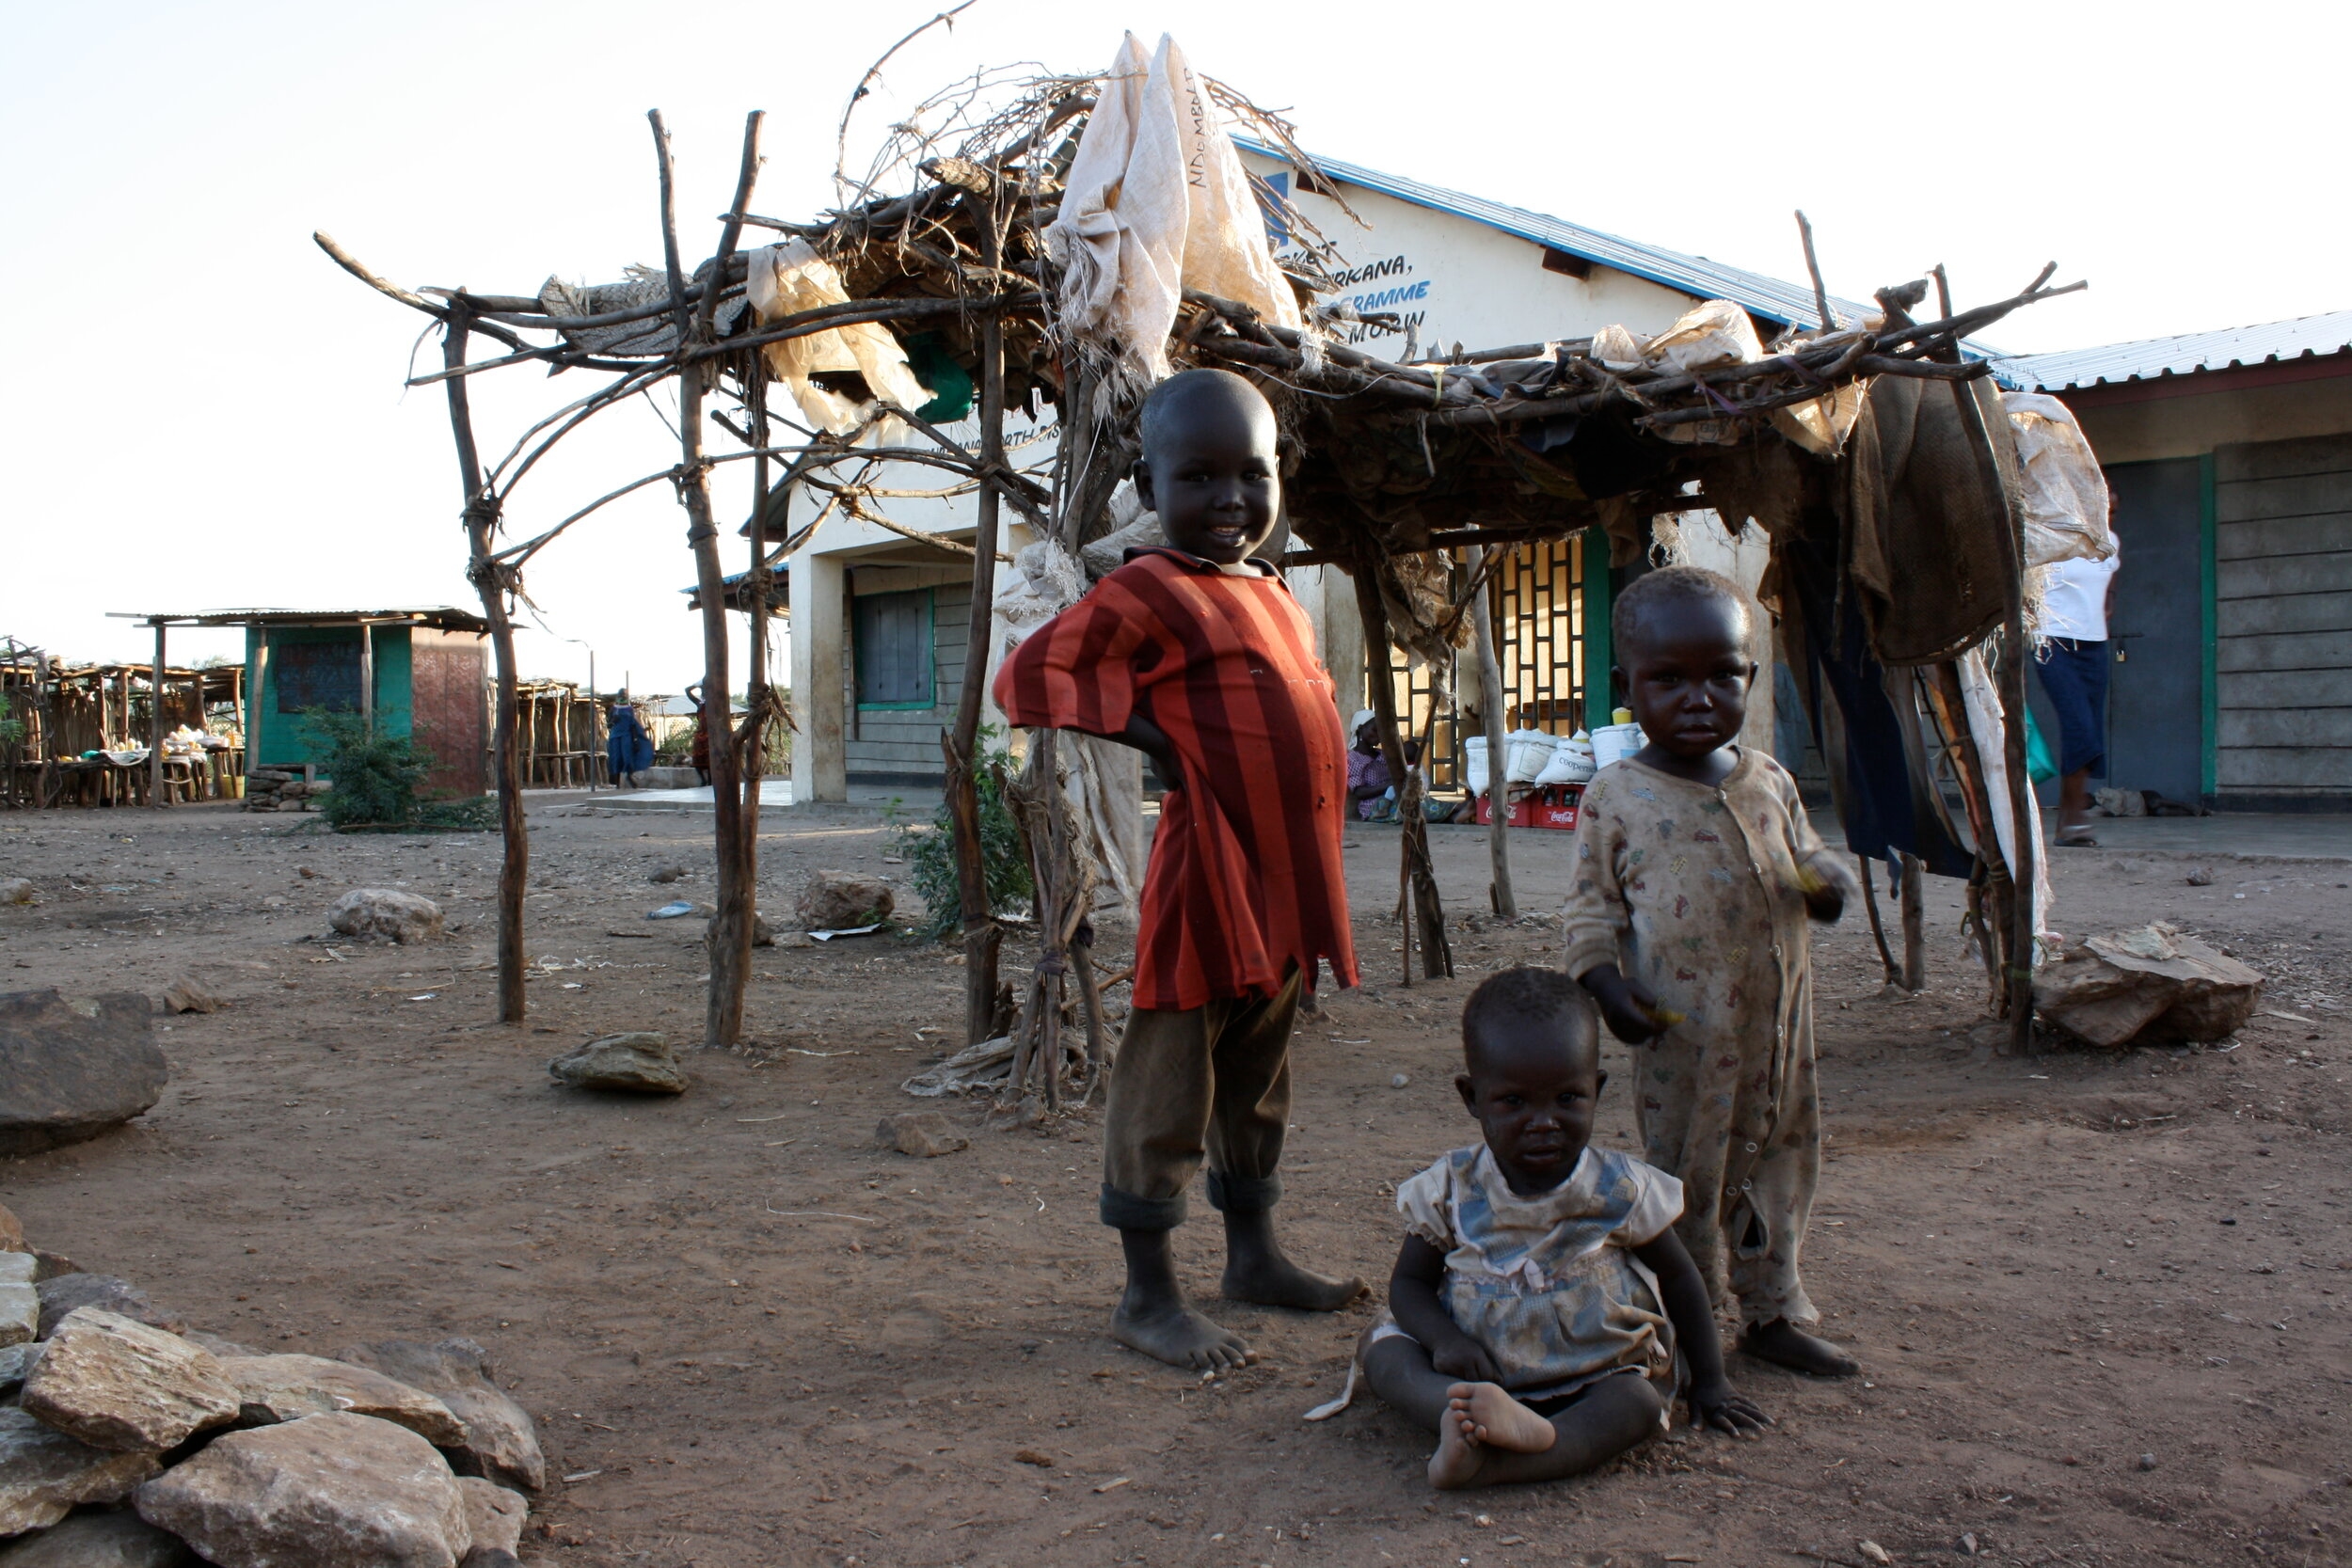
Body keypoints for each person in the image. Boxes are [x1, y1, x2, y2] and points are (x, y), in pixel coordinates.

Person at [993, 368, 1364, 1370]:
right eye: (1198, 476)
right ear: (1151, 489)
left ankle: (1254, 1257)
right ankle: (1146, 1292)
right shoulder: (1148, 586)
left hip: (1289, 882)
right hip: (1210, 878)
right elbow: (1030, 676)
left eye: (1251, 472)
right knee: (1170, 1075)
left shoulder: (1276, 592)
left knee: (1258, 1073)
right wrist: (1163, 731)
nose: (1230, 498)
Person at [1565, 565, 1860, 1378]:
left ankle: (1772, 1310)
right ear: (1628, 687)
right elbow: (1590, 912)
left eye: (1722, 675)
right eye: (1669, 679)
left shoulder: (1770, 782)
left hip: (1781, 1040)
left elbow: (1810, 862)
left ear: (1751, 678)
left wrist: (1826, 884)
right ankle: (1686, 1329)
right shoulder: (1616, 796)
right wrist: (1605, 985)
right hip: (1684, 1046)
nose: (1699, 696)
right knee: (1684, 1182)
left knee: (1784, 1167)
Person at [1358, 968, 1772, 1488]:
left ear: (1595, 1089)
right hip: (1475, 1368)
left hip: (1594, 1368)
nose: (1543, 1121)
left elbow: (1681, 1278)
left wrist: (1712, 1383)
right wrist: (1443, 1342)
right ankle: (1458, 1414)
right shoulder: (1450, 1188)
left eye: (1567, 1099)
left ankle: (1515, 1456)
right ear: (1471, 1097)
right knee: (1386, 1354)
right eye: (1513, 1102)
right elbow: (1409, 1284)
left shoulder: (1621, 1187)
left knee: (1636, 1404)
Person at [2035, 520, 2121, 847]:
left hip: (2094, 646)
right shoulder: (2053, 536)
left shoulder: (2109, 540)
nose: (2108, 500)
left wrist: (2107, 605)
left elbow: (2109, 576)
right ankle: (2073, 816)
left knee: (2091, 729)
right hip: (2052, 642)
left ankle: (2067, 822)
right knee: (2078, 724)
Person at [1346, 710, 1391, 820]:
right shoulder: (1353, 759)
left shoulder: (1382, 754)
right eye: (1375, 730)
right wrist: (1390, 785)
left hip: (1395, 801)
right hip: (1374, 809)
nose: (1379, 735)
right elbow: (1359, 792)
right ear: (1361, 729)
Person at [605, 691, 654, 787]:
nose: (623, 696)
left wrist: (635, 738)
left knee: (627, 757)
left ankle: (629, 776)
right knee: (616, 758)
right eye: (622, 695)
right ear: (618, 696)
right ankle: (618, 782)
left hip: (626, 735)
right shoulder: (613, 709)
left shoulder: (629, 709)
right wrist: (613, 721)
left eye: (625, 695)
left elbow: (633, 724)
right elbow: (609, 725)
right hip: (615, 736)